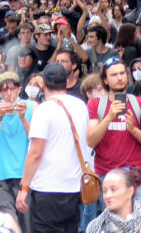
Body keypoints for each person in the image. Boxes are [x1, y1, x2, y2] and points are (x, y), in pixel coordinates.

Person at [16, 62, 89, 233]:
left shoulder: (44, 109)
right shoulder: (81, 106)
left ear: (43, 83)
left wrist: (24, 188)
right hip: (74, 187)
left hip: (47, 188)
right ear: (66, 81)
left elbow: (35, 153)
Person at [86, 57, 141, 206]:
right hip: (108, 176)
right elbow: (91, 141)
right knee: (113, 221)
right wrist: (109, 117)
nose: (119, 78)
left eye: (122, 73)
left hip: (136, 177)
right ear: (105, 80)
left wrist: (133, 130)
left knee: (140, 220)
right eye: (114, 74)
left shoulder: (140, 104)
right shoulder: (95, 104)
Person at [0, 71, 33, 233]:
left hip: (25, 177)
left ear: (19, 89)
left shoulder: (31, 107)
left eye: (12, 88)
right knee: (7, 224)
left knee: (27, 225)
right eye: (4, 90)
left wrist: (22, 117)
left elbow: (35, 139)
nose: (9, 93)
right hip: (0, 176)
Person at [87, 168, 141, 233]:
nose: (108, 195)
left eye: (113, 190)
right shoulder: (95, 227)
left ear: (130, 191)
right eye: (104, 191)